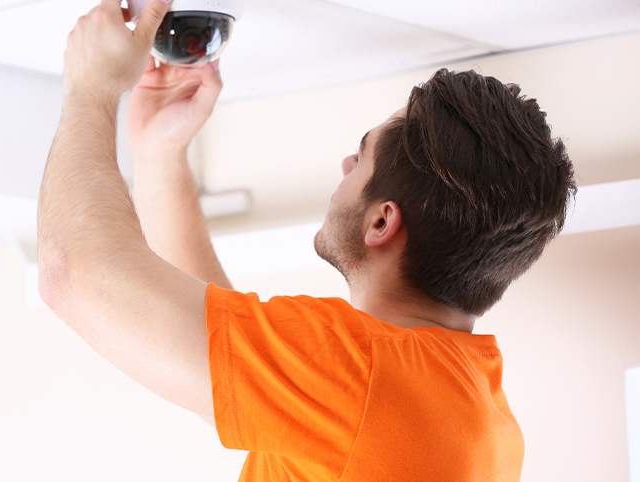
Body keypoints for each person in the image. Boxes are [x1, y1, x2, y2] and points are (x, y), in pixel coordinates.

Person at [36, 0, 576, 480]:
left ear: (382, 222)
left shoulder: (365, 374)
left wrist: (92, 88)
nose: (346, 164)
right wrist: (159, 154)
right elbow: (207, 360)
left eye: (361, 157)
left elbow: (72, 272)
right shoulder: (477, 410)